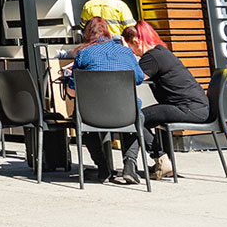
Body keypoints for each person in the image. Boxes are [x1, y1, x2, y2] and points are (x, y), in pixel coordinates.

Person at [121, 25, 209, 180]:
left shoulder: (152, 57)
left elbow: (131, 79)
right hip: (195, 106)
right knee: (139, 116)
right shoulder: (161, 53)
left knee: (134, 117)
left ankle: (160, 159)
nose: (133, 53)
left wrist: (124, 53)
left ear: (135, 41)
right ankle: (160, 161)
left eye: (131, 48)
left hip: (187, 108)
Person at [68, 17, 144, 184]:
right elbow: (139, 78)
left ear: (87, 34)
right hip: (126, 113)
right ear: (108, 32)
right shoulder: (125, 52)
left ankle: (103, 167)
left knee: (80, 120)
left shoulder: (83, 54)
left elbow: (72, 91)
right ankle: (130, 164)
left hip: (93, 115)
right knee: (135, 120)